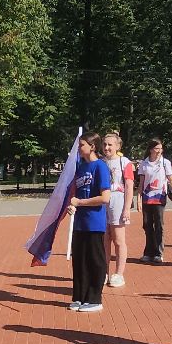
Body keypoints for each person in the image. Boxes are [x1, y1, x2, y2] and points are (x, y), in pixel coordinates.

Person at [69, 133, 113, 311]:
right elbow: (75, 194)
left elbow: (105, 198)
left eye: (82, 145)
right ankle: (80, 296)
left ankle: (95, 299)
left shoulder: (100, 167)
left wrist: (81, 203)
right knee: (79, 260)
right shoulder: (80, 167)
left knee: (95, 260)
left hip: (94, 222)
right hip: (79, 223)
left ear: (92, 146)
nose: (79, 149)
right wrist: (73, 205)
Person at [100, 131, 134, 288]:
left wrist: (127, 208)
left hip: (118, 203)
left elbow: (129, 185)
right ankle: (104, 272)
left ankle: (119, 274)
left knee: (119, 240)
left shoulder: (124, 162)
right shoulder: (100, 162)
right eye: (105, 144)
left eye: (110, 145)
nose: (107, 147)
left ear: (117, 146)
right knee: (104, 240)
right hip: (102, 204)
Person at [134, 139, 172, 264]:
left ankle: (158, 253)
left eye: (161, 149)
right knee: (147, 225)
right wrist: (139, 200)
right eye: (157, 148)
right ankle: (148, 252)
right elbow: (141, 184)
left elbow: (170, 179)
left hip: (160, 197)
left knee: (159, 225)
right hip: (147, 197)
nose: (159, 151)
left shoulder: (165, 163)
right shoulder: (144, 164)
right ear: (151, 149)